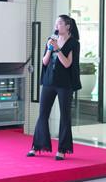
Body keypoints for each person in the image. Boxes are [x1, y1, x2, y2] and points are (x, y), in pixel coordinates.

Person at [27, 14, 81, 161]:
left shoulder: (73, 43)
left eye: (60, 23)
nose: (56, 26)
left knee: (65, 115)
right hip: (49, 81)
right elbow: (44, 62)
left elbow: (67, 64)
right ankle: (37, 146)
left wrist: (57, 49)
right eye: (56, 23)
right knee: (43, 114)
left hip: (65, 84)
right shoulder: (51, 40)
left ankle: (62, 149)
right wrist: (50, 49)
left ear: (67, 26)